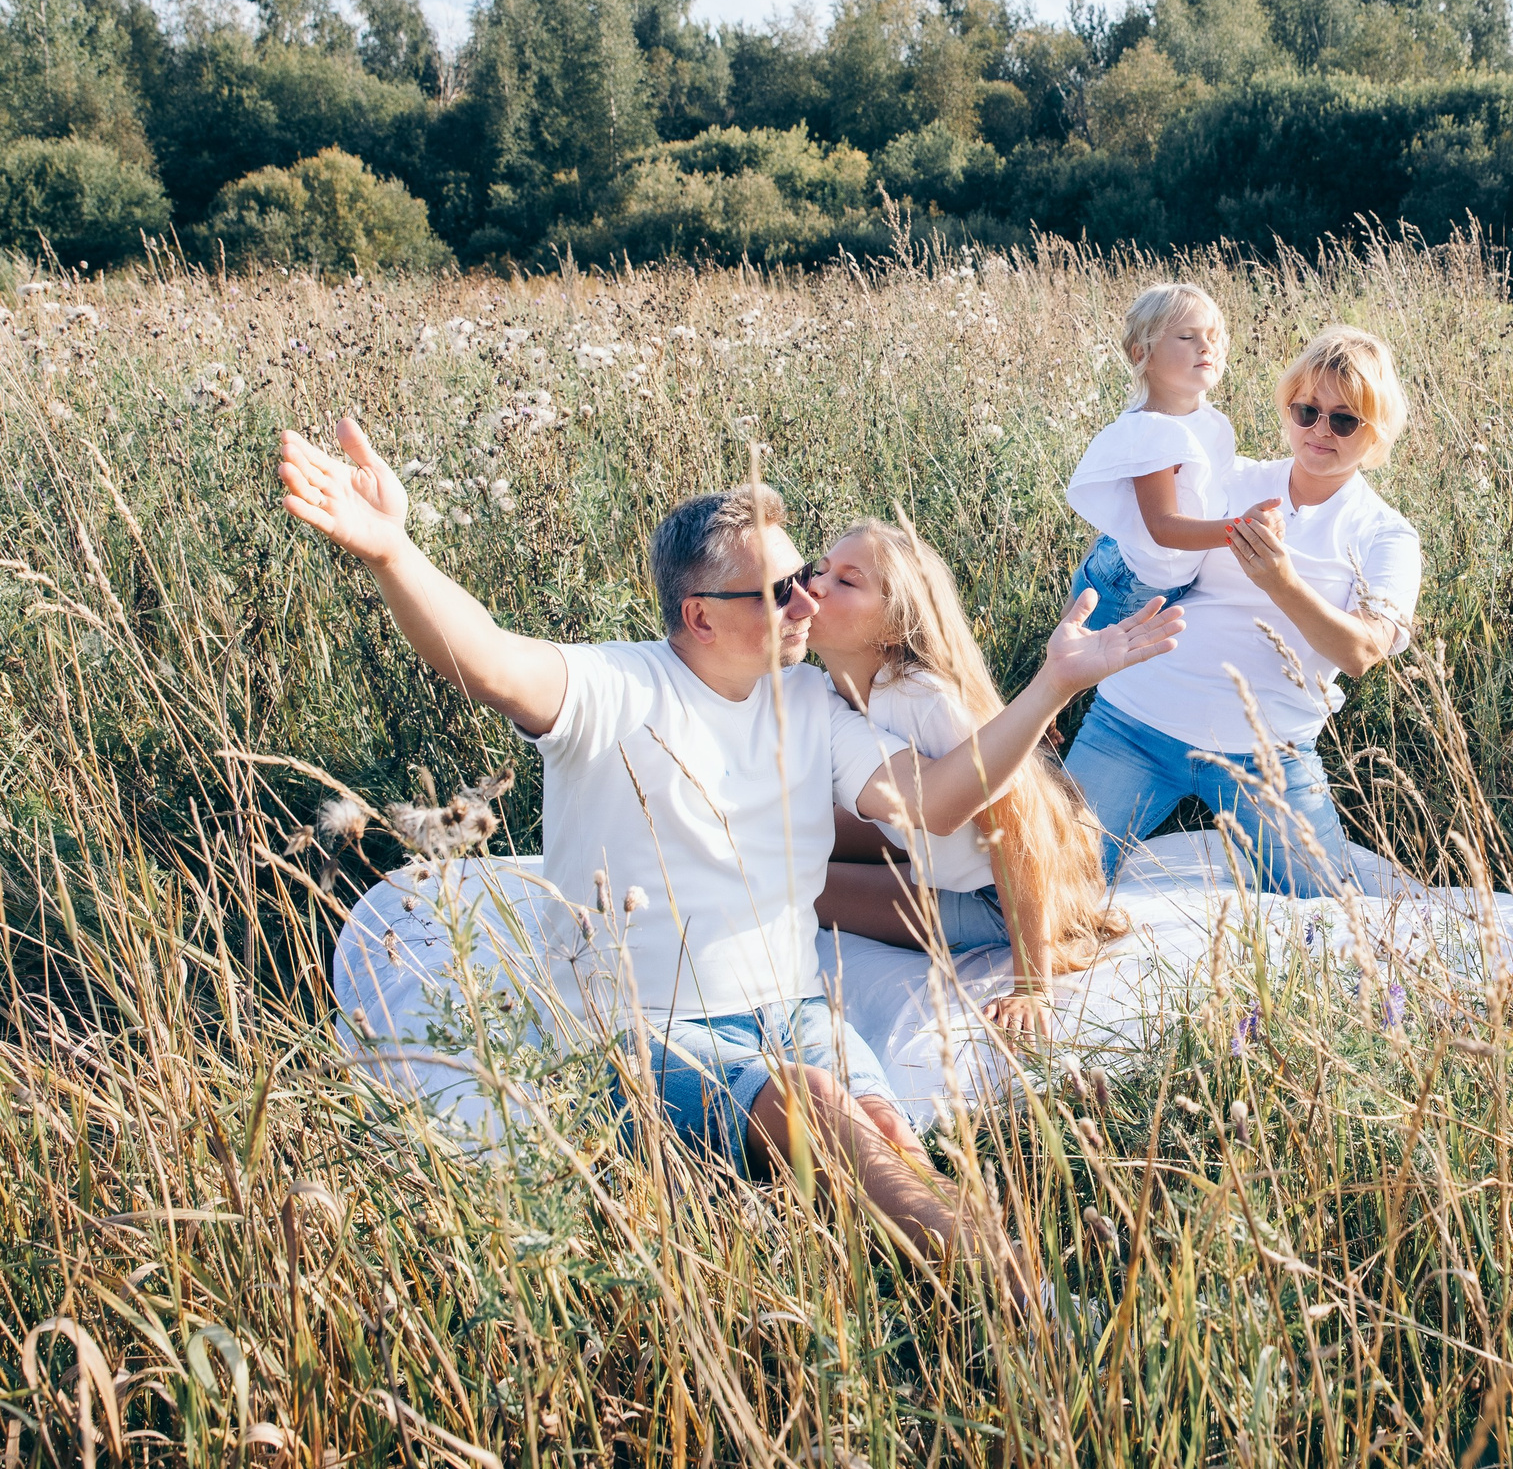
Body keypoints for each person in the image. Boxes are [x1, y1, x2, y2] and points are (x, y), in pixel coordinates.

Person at [276, 415, 1180, 1299]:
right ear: (701, 616)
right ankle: (1027, 1300)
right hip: (639, 1035)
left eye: (808, 579)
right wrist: (394, 553)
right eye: (781, 590)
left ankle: (938, 1295)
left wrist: (1055, 682)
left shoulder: (815, 707)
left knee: (883, 1133)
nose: (809, 601)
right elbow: (488, 661)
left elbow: (937, 797)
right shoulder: (620, 688)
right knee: (820, 1104)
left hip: (790, 1007)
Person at [1063, 325, 1420, 895]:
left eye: (1344, 419)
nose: (1320, 430)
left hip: (1267, 756)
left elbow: (1362, 652)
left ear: (1375, 432)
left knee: (1332, 917)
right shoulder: (1231, 480)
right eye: (1307, 410)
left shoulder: (1386, 535)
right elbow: (1128, 553)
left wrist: (1281, 582)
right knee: (1041, 887)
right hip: (1133, 724)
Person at [806, 518, 1130, 1042]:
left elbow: (1018, 829)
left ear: (892, 628)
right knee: (795, 841)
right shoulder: (835, 688)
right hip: (931, 848)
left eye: (847, 581)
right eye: (820, 569)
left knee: (807, 888)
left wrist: (1033, 985)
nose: (815, 584)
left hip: (989, 897)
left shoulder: (920, 699)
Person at [1063, 283, 1241, 629]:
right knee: (1079, 666)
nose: (1206, 346)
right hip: (1130, 582)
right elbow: (1162, 527)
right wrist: (1239, 531)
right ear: (1143, 354)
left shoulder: (1206, 418)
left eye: (1214, 336)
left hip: (1163, 569)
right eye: (1187, 337)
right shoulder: (1154, 433)